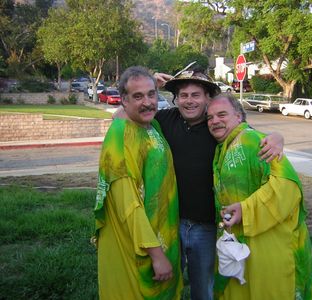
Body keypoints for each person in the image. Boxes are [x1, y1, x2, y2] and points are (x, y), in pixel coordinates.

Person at [114, 67, 284, 300]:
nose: (189, 101)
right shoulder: (164, 119)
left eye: (196, 95)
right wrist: (150, 84)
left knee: (203, 288)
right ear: (176, 99)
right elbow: (121, 116)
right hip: (169, 222)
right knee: (165, 281)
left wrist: (277, 137)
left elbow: (251, 135)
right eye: (183, 95)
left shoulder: (218, 126)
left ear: (207, 99)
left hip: (205, 226)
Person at [206, 94, 312, 300]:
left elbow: (287, 186)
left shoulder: (251, 139)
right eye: (210, 117)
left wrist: (246, 209)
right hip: (245, 242)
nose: (214, 121)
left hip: (270, 243)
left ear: (239, 116)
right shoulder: (224, 147)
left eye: (222, 114)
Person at [93, 66, 182, 300]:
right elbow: (128, 203)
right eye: (138, 96)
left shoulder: (152, 126)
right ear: (123, 100)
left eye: (151, 94)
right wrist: (156, 255)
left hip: (162, 231)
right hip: (140, 245)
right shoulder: (121, 137)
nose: (147, 102)